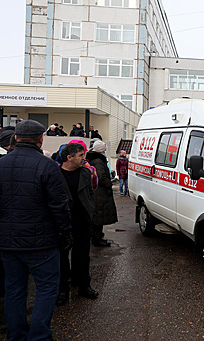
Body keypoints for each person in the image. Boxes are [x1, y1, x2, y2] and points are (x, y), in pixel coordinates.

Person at [0, 120, 72, 341]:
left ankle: (16, 336)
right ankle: (39, 336)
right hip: (41, 244)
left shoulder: (1, 164)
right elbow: (60, 206)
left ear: (15, 138)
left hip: (7, 243)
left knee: (14, 290)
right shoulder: (47, 165)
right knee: (47, 289)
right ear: (41, 138)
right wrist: (66, 234)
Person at [57, 143, 98, 306]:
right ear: (69, 157)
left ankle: (83, 286)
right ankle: (63, 290)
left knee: (82, 256)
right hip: (63, 223)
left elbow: (90, 193)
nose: (84, 158)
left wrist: (90, 209)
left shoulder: (85, 173)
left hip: (82, 221)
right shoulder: (56, 174)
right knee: (62, 258)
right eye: (81, 155)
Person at [86, 140, 118, 247]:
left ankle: (96, 236)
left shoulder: (93, 159)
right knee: (99, 216)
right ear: (101, 150)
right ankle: (97, 239)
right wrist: (109, 184)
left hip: (97, 192)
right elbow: (101, 177)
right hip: (100, 193)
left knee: (97, 215)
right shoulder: (99, 161)